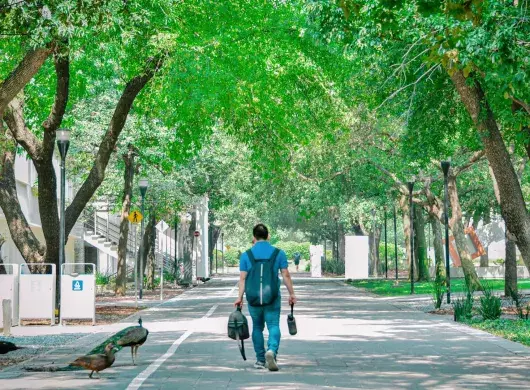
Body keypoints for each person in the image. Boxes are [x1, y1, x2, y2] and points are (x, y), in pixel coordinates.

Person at [234, 224, 297, 371]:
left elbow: (242, 279)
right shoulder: (278, 253)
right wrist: (292, 294)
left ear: (253, 237)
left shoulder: (246, 255)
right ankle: (272, 351)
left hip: (253, 297)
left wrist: (239, 298)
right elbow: (285, 274)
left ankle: (260, 360)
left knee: (257, 327)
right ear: (268, 236)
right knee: (273, 325)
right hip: (272, 297)